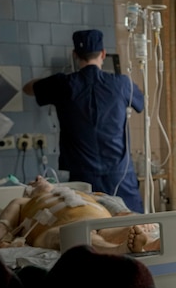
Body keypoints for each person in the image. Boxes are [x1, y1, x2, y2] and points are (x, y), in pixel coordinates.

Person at [23, 29, 145, 213]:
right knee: (134, 227)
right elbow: (140, 103)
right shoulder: (121, 84)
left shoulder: (63, 84)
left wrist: (48, 82)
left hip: (83, 179)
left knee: (90, 229)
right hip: (120, 177)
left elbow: (28, 88)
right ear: (103, 53)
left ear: (75, 55)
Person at [0, 176, 158, 255]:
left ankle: (149, 244)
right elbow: (1, 225)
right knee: (77, 236)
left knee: (122, 230)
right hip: (57, 228)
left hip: (98, 219)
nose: (40, 177)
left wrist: (125, 216)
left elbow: (112, 204)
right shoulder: (23, 202)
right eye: (35, 182)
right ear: (29, 191)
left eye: (43, 178)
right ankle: (117, 251)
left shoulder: (81, 193)